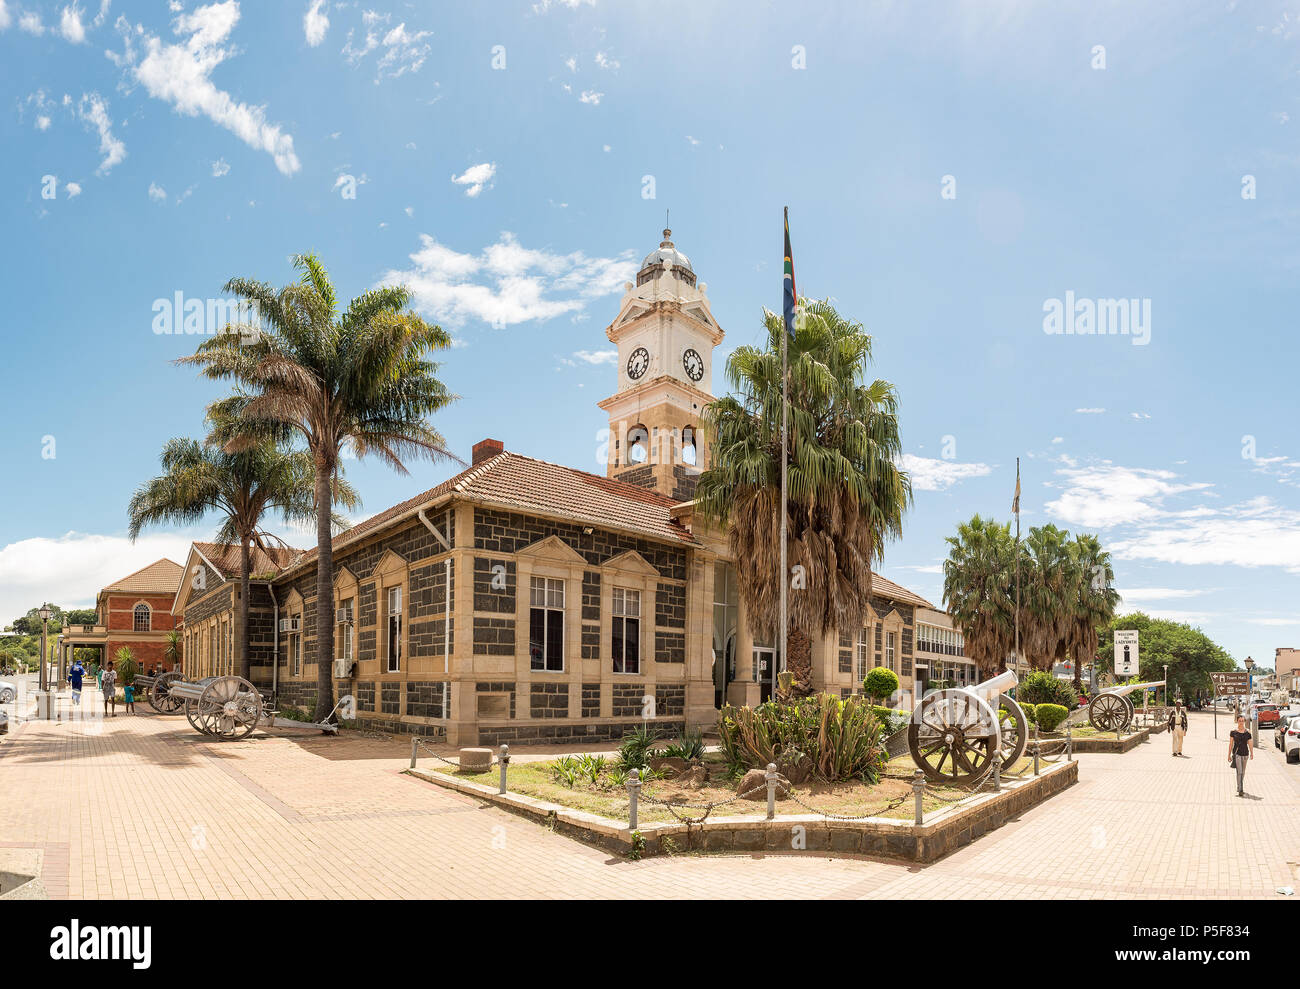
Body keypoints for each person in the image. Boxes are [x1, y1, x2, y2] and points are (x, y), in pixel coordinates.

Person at [1228, 715, 1253, 796]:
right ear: (1237, 721)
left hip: (1245, 754)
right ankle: (1241, 789)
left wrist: (1252, 753)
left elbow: (1250, 743)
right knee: (1239, 772)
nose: (1241, 722)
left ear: (1244, 722)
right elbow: (1231, 744)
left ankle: (1239, 786)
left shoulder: (1248, 732)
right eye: (1240, 721)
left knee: (1243, 772)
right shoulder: (1233, 732)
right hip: (1237, 754)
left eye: (1243, 721)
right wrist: (1228, 755)